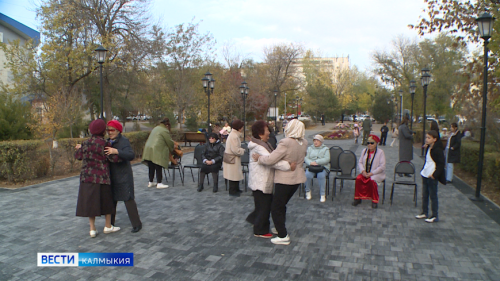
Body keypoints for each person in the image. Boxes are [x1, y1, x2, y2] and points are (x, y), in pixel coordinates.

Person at [252, 119, 308, 245]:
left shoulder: (286, 142)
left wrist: (259, 158)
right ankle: (279, 228)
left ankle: (283, 236)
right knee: (281, 205)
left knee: (276, 207)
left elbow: (271, 159)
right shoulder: (304, 142)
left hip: (285, 179)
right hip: (297, 179)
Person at [246, 121, 295, 238]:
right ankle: (260, 230)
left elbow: (273, 157)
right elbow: (272, 161)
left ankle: (254, 220)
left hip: (260, 180)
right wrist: (288, 166)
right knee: (264, 206)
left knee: (261, 205)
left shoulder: (264, 144)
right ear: (260, 133)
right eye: (266, 130)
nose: (269, 132)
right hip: (260, 181)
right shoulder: (259, 147)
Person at [75, 119, 121, 238]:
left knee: (91, 203)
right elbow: (113, 159)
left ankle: (92, 229)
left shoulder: (85, 143)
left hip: (87, 178)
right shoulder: (105, 144)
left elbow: (78, 156)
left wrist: (80, 148)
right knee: (107, 202)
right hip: (102, 177)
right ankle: (107, 226)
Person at [105, 120, 142, 233]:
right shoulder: (107, 142)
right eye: (108, 130)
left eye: (112, 130)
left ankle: (137, 224)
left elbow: (131, 155)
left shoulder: (124, 141)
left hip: (123, 175)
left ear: (118, 130)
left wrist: (117, 151)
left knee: (128, 199)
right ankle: (110, 224)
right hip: (111, 175)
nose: (110, 132)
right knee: (112, 200)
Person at [416, 130, 446, 223]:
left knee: (433, 195)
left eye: (429, 138)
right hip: (425, 173)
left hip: (431, 174)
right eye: (426, 137)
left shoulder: (438, 150)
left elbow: (441, 164)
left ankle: (434, 215)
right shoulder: (429, 147)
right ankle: (424, 212)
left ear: (435, 139)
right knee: (425, 195)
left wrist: (434, 175)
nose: (426, 139)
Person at [352, 134, 386, 209]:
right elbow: (360, 162)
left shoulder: (380, 152)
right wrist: (363, 171)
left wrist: (372, 173)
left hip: (376, 173)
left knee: (372, 181)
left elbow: (382, 166)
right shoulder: (364, 151)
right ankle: (358, 198)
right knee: (358, 179)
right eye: (368, 143)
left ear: (376, 144)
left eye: (372, 143)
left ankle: (374, 200)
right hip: (365, 172)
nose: (369, 145)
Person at [142, 117, 174, 189]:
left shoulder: (156, 128)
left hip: (148, 148)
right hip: (157, 149)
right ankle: (159, 183)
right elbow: (169, 141)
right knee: (158, 164)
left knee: (151, 166)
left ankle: (150, 182)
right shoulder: (164, 130)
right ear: (167, 125)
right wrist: (172, 148)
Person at [304, 134, 330, 202]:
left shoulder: (326, 149)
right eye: (314, 140)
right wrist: (310, 163)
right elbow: (306, 158)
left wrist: (317, 162)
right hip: (312, 166)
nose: (315, 142)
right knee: (307, 175)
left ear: (321, 142)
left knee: (321, 175)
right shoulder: (310, 148)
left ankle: (322, 194)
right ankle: (308, 191)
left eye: (317, 141)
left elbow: (327, 159)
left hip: (322, 167)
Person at [223, 119, 246, 196]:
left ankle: (236, 189)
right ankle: (233, 191)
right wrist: (242, 151)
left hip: (232, 158)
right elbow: (235, 150)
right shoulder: (234, 136)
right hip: (232, 158)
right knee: (233, 175)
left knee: (235, 174)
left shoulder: (234, 134)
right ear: (239, 127)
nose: (242, 128)